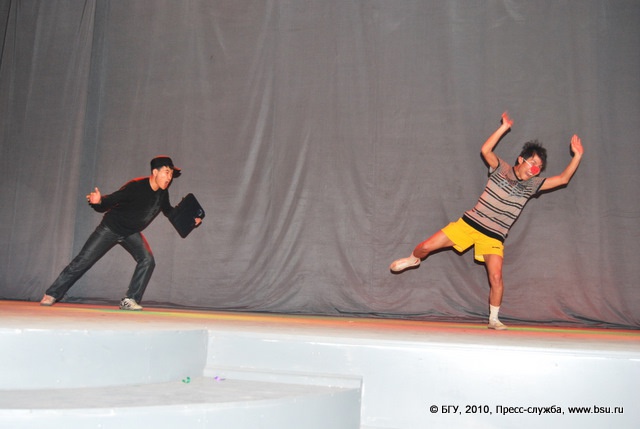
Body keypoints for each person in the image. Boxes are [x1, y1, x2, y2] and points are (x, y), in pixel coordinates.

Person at [389, 112, 584, 330]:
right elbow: (486, 150)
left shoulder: (533, 185)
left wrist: (576, 156)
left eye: (539, 167)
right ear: (521, 159)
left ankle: (494, 319)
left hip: (494, 236)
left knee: (497, 276)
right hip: (469, 224)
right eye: (533, 163)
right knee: (425, 247)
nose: (535, 169)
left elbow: (563, 179)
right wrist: (503, 127)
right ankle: (413, 259)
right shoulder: (502, 169)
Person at [40, 156, 202, 311]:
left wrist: (189, 222)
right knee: (83, 260)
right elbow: (113, 199)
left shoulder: (162, 193)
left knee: (147, 260)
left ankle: (130, 300)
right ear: (155, 172)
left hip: (131, 232)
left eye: (171, 174)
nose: (169, 177)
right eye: (166, 172)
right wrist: (99, 201)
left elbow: (170, 212)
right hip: (111, 228)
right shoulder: (136, 186)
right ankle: (52, 293)